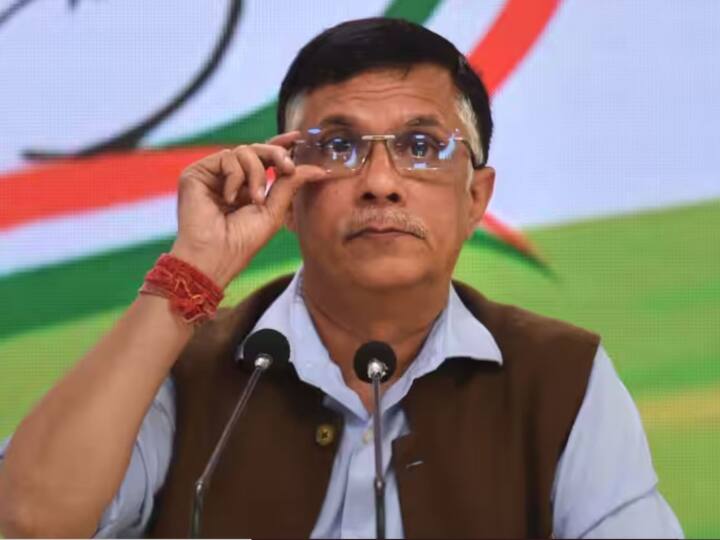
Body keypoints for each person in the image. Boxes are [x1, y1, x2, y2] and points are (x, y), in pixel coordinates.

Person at [0, 18, 683, 539]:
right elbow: (26, 523)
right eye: (339, 147)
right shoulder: (185, 367)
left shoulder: (560, 375)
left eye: (421, 146)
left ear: (476, 197)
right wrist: (189, 276)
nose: (381, 183)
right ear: (288, 193)